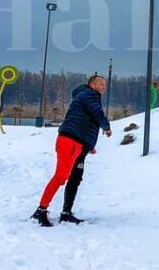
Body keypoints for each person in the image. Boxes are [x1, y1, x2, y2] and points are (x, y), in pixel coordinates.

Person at [31, 75, 112, 227]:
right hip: (70, 142)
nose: (104, 87)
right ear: (92, 84)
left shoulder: (87, 96)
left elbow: (86, 121)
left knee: (75, 177)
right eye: (101, 84)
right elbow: (96, 113)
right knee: (61, 177)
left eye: (105, 85)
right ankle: (41, 210)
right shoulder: (89, 94)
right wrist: (106, 127)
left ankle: (66, 213)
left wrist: (89, 145)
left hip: (79, 144)